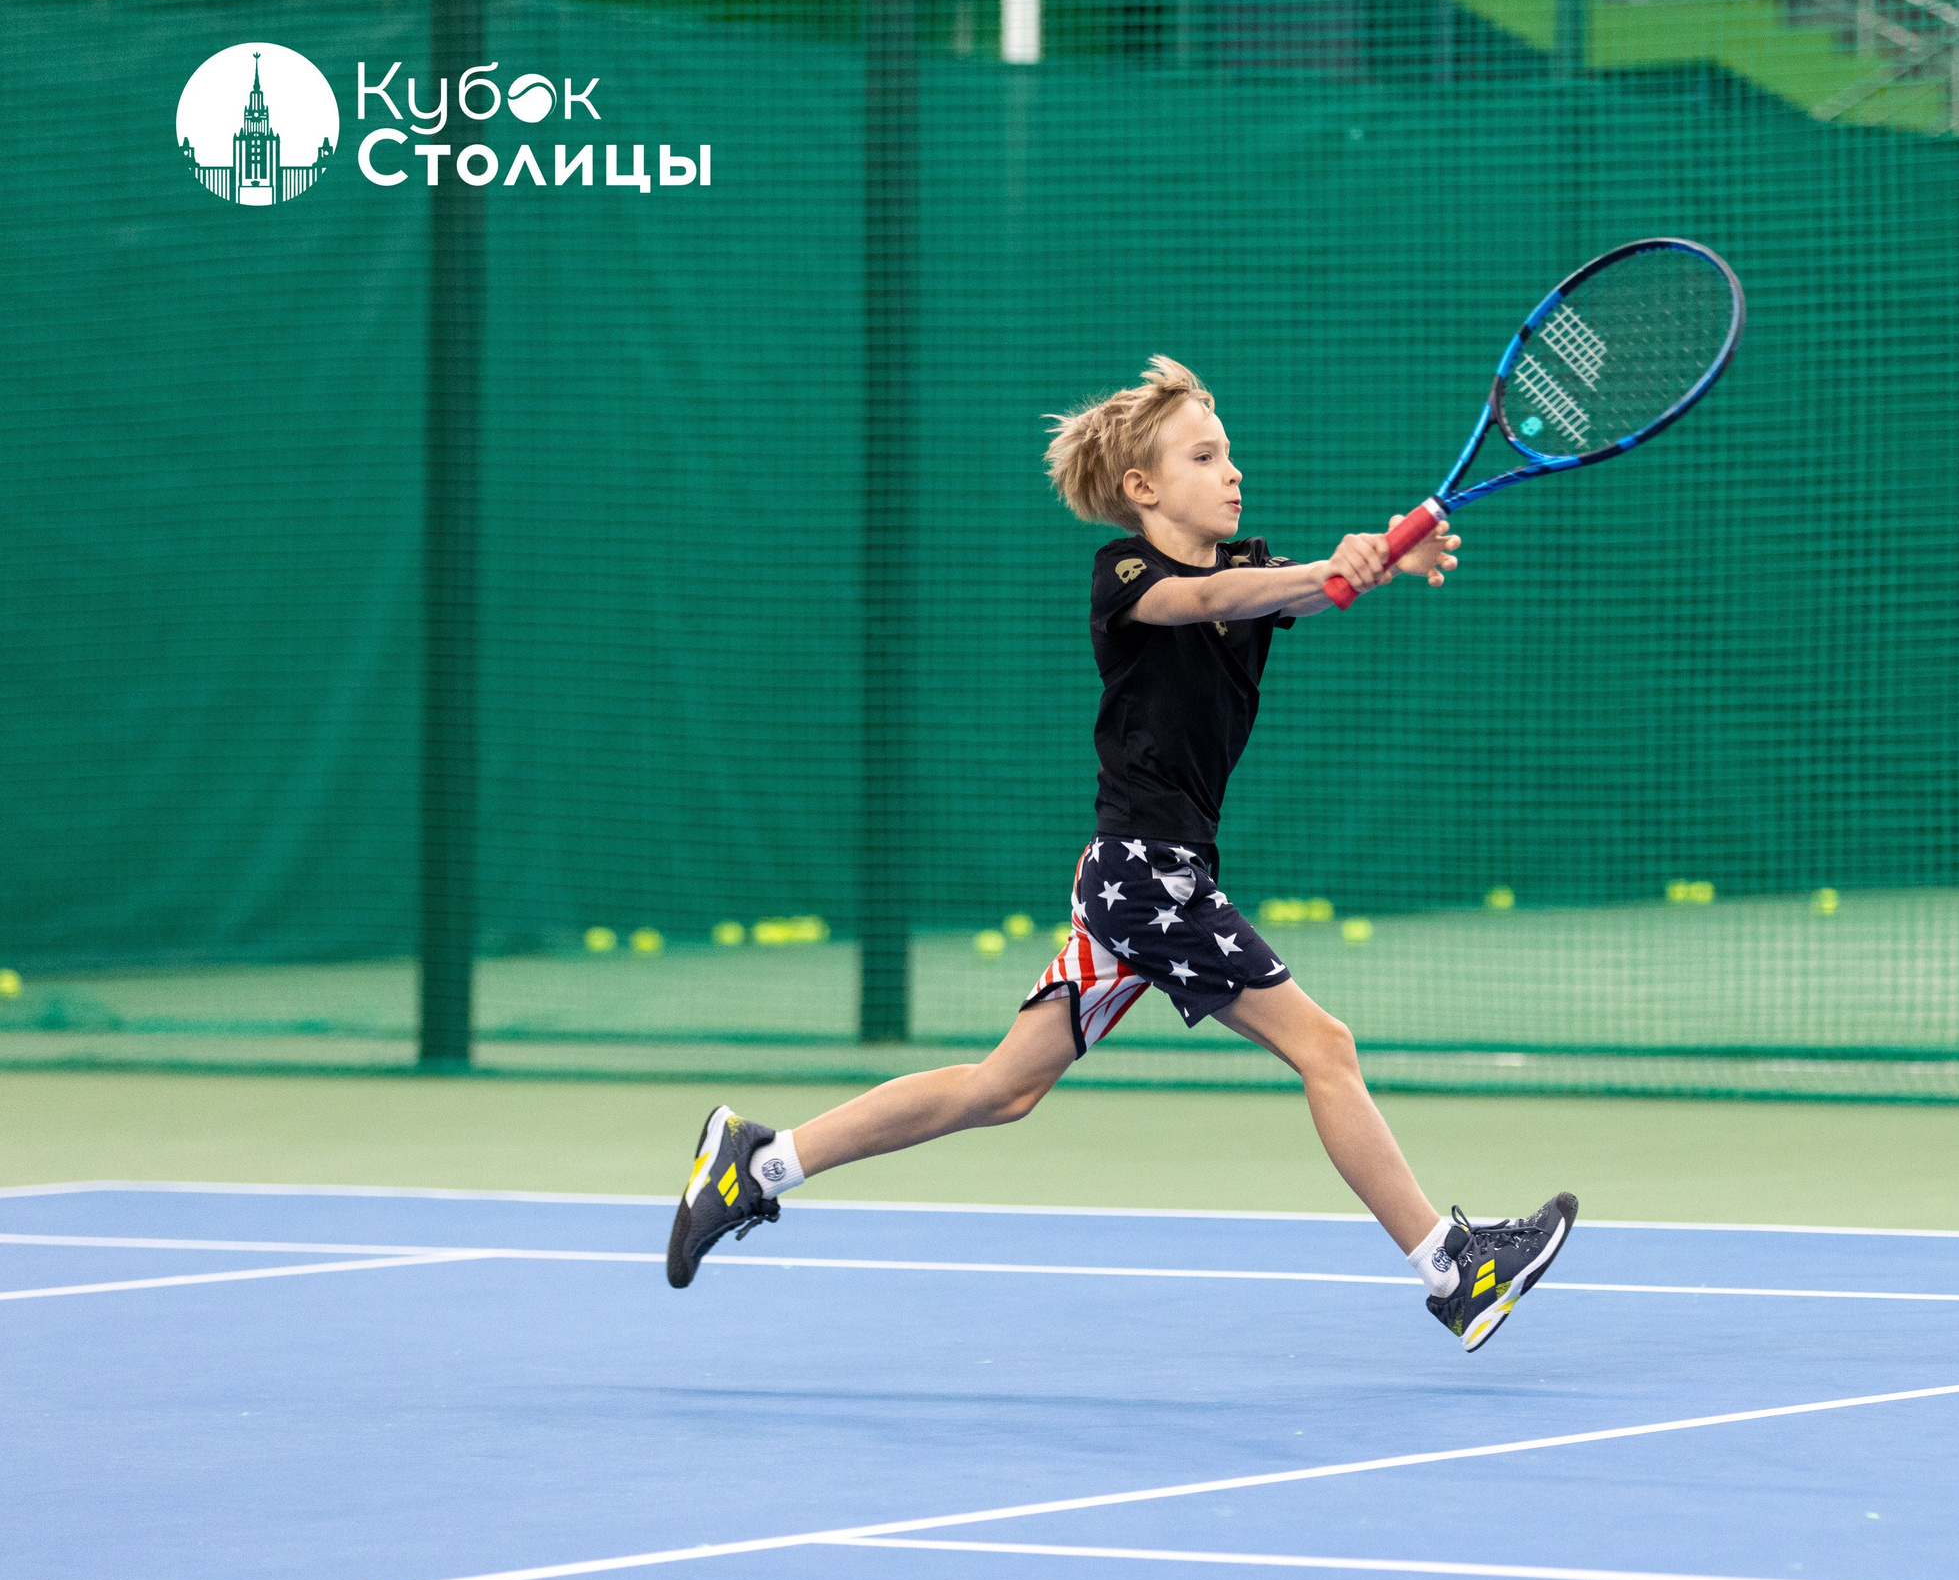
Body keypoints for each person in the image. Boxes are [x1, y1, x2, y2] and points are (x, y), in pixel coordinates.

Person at [667, 356, 1575, 1351]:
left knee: (1001, 1087)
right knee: (1326, 1047)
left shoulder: (1247, 572)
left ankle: (756, 1166)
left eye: (1228, 452)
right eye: (1203, 454)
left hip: (1136, 877)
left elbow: (1279, 597)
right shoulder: (1127, 577)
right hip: (1147, 877)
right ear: (1142, 489)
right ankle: (1452, 1268)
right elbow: (1208, 602)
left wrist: (1372, 561)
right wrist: (1325, 570)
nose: (1231, 471)